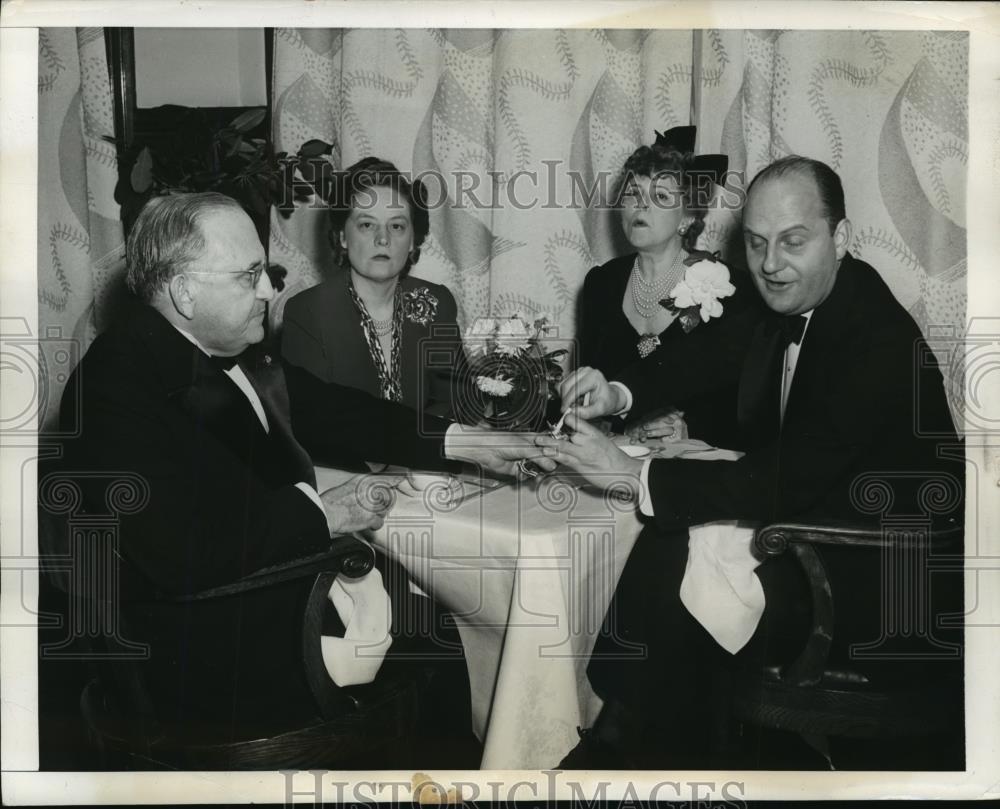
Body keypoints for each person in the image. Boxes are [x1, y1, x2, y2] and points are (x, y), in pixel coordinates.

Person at [53, 192, 553, 768]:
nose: (269, 291)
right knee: (442, 647)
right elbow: (177, 551)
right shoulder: (114, 384)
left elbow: (340, 411)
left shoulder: (203, 347)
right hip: (208, 657)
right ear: (184, 292)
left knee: (442, 622)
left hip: (246, 601)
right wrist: (326, 513)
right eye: (249, 277)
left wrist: (472, 442)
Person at [541, 156, 963, 768]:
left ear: (840, 238)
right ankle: (634, 731)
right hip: (822, 529)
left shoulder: (874, 339)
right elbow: (707, 355)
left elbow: (784, 480)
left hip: (883, 587)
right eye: (758, 243)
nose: (770, 264)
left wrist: (632, 473)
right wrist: (618, 391)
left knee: (673, 562)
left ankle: (649, 745)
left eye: (794, 241)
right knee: (670, 544)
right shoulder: (803, 296)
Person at [576, 126, 761, 447]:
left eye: (660, 196)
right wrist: (621, 428)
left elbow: (752, 408)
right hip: (617, 459)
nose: (640, 206)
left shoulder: (732, 290)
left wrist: (692, 431)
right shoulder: (600, 284)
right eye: (633, 193)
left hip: (704, 466)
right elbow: (584, 393)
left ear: (687, 217)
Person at [282, 157, 465, 418]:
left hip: (426, 456)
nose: (383, 239)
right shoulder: (307, 312)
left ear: (413, 240)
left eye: (397, 226)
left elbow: (454, 401)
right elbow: (316, 420)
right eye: (367, 224)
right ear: (342, 236)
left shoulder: (436, 302)